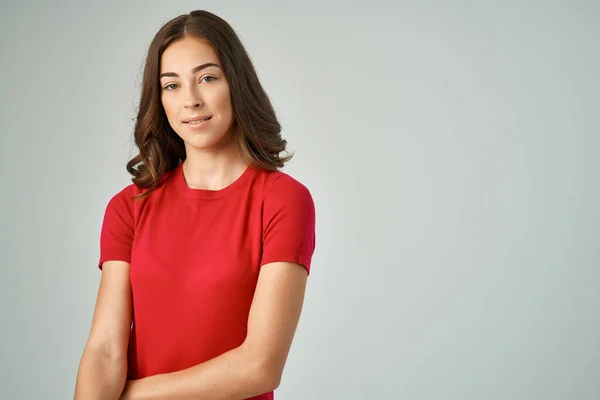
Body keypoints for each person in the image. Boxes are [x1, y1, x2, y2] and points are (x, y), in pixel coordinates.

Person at [74, 10, 316, 400]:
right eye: (171, 85)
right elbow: (104, 351)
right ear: (161, 100)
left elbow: (260, 366)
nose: (190, 100)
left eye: (207, 78)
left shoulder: (283, 200)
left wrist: (131, 397)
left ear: (236, 84)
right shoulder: (128, 207)